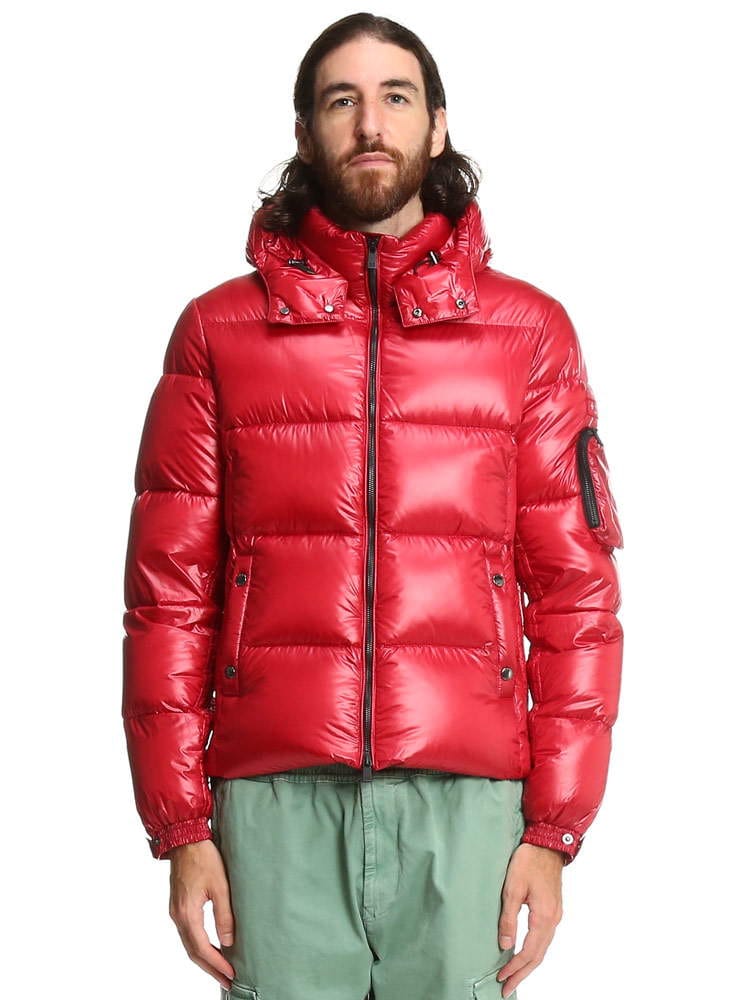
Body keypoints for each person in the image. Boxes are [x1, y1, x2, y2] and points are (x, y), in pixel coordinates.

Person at [121, 13, 624, 1000]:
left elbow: (577, 593)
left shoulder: (529, 333)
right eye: (340, 100)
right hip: (273, 800)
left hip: (467, 799)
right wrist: (180, 825)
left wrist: (554, 829)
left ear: (437, 125)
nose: (369, 123)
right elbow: (167, 595)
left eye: (395, 96)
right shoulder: (218, 332)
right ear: (305, 133)